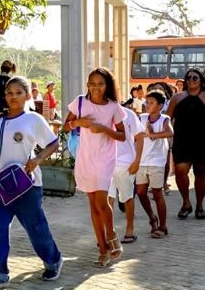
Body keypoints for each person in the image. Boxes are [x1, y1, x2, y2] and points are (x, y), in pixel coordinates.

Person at [0, 76, 63, 290]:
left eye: (18, 92)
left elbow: (53, 143)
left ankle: (53, 260)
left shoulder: (33, 119)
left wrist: (37, 159)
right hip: (3, 185)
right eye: (9, 93)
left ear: (27, 95)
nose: (13, 96)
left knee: (36, 228)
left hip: (28, 184)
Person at [62, 68, 127, 266]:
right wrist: (78, 122)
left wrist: (105, 129)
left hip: (105, 158)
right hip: (85, 157)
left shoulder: (113, 107)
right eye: (92, 83)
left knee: (101, 201)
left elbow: (122, 136)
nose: (95, 87)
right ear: (87, 84)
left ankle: (112, 235)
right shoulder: (80, 102)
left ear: (107, 85)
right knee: (93, 204)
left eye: (100, 83)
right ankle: (103, 249)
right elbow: (65, 127)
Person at [165, 68, 205, 220]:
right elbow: (167, 118)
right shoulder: (177, 98)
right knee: (180, 171)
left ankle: (200, 206)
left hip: (202, 141)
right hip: (182, 140)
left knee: (201, 173)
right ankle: (186, 202)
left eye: (195, 78)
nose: (191, 80)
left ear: (201, 81)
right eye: (188, 78)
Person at [134, 91, 172, 238]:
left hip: (157, 161)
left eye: (151, 102)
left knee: (157, 193)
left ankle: (163, 226)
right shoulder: (142, 118)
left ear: (160, 106)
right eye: (147, 102)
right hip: (142, 160)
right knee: (140, 192)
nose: (148, 105)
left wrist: (152, 135)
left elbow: (170, 133)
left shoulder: (164, 119)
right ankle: (152, 218)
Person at [110, 98, 146, 244]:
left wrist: (137, 161)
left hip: (125, 163)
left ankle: (129, 229)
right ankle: (109, 232)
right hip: (106, 163)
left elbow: (140, 137)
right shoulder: (99, 114)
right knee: (108, 199)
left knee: (127, 197)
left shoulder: (128, 114)